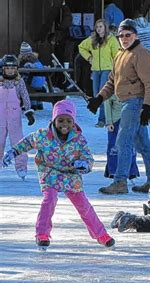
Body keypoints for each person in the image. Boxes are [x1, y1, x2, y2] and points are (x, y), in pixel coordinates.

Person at [2, 100, 115, 250]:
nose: (64, 124)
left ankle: (101, 235)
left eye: (69, 121)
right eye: (60, 120)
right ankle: (42, 234)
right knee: (49, 199)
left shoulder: (78, 139)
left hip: (70, 174)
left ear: (73, 122)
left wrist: (84, 165)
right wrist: (13, 152)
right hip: (49, 172)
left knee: (83, 205)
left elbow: (88, 158)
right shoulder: (43, 135)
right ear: (54, 120)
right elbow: (27, 142)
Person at [87, 19, 150, 195]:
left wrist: (147, 107)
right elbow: (112, 81)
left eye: (128, 35)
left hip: (135, 102)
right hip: (126, 102)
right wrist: (99, 98)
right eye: (121, 35)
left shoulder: (140, 53)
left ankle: (120, 181)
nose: (124, 38)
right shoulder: (121, 54)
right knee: (142, 143)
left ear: (135, 35)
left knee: (123, 141)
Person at [79, 19, 120, 128]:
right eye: (97, 27)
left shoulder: (111, 39)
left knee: (102, 94)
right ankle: (107, 116)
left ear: (105, 27)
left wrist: (116, 69)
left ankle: (102, 119)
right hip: (96, 70)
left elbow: (117, 55)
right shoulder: (93, 39)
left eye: (100, 27)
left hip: (107, 69)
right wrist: (89, 57)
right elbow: (81, 47)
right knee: (96, 94)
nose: (98, 29)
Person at [0, 54, 35, 180]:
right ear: (3, 69)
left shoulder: (19, 82)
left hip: (14, 116)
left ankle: (21, 166)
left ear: (17, 69)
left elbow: (25, 96)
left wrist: (29, 112)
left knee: (17, 141)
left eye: (13, 68)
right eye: (8, 68)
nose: (10, 70)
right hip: (0, 117)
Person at [103, 93, 140, 182]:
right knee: (113, 146)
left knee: (130, 146)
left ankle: (131, 170)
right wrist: (109, 121)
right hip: (116, 121)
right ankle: (113, 169)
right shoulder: (112, 88)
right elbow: (107, 104)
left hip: (130, 120)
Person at [18, 42, 46, 111]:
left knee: (25, 86)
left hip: (34, 84)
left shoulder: (29, 62)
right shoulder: (36, 59)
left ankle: (33, 105)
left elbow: (25, 72)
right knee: (33, 84)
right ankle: (39, 104)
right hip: (41, 84)